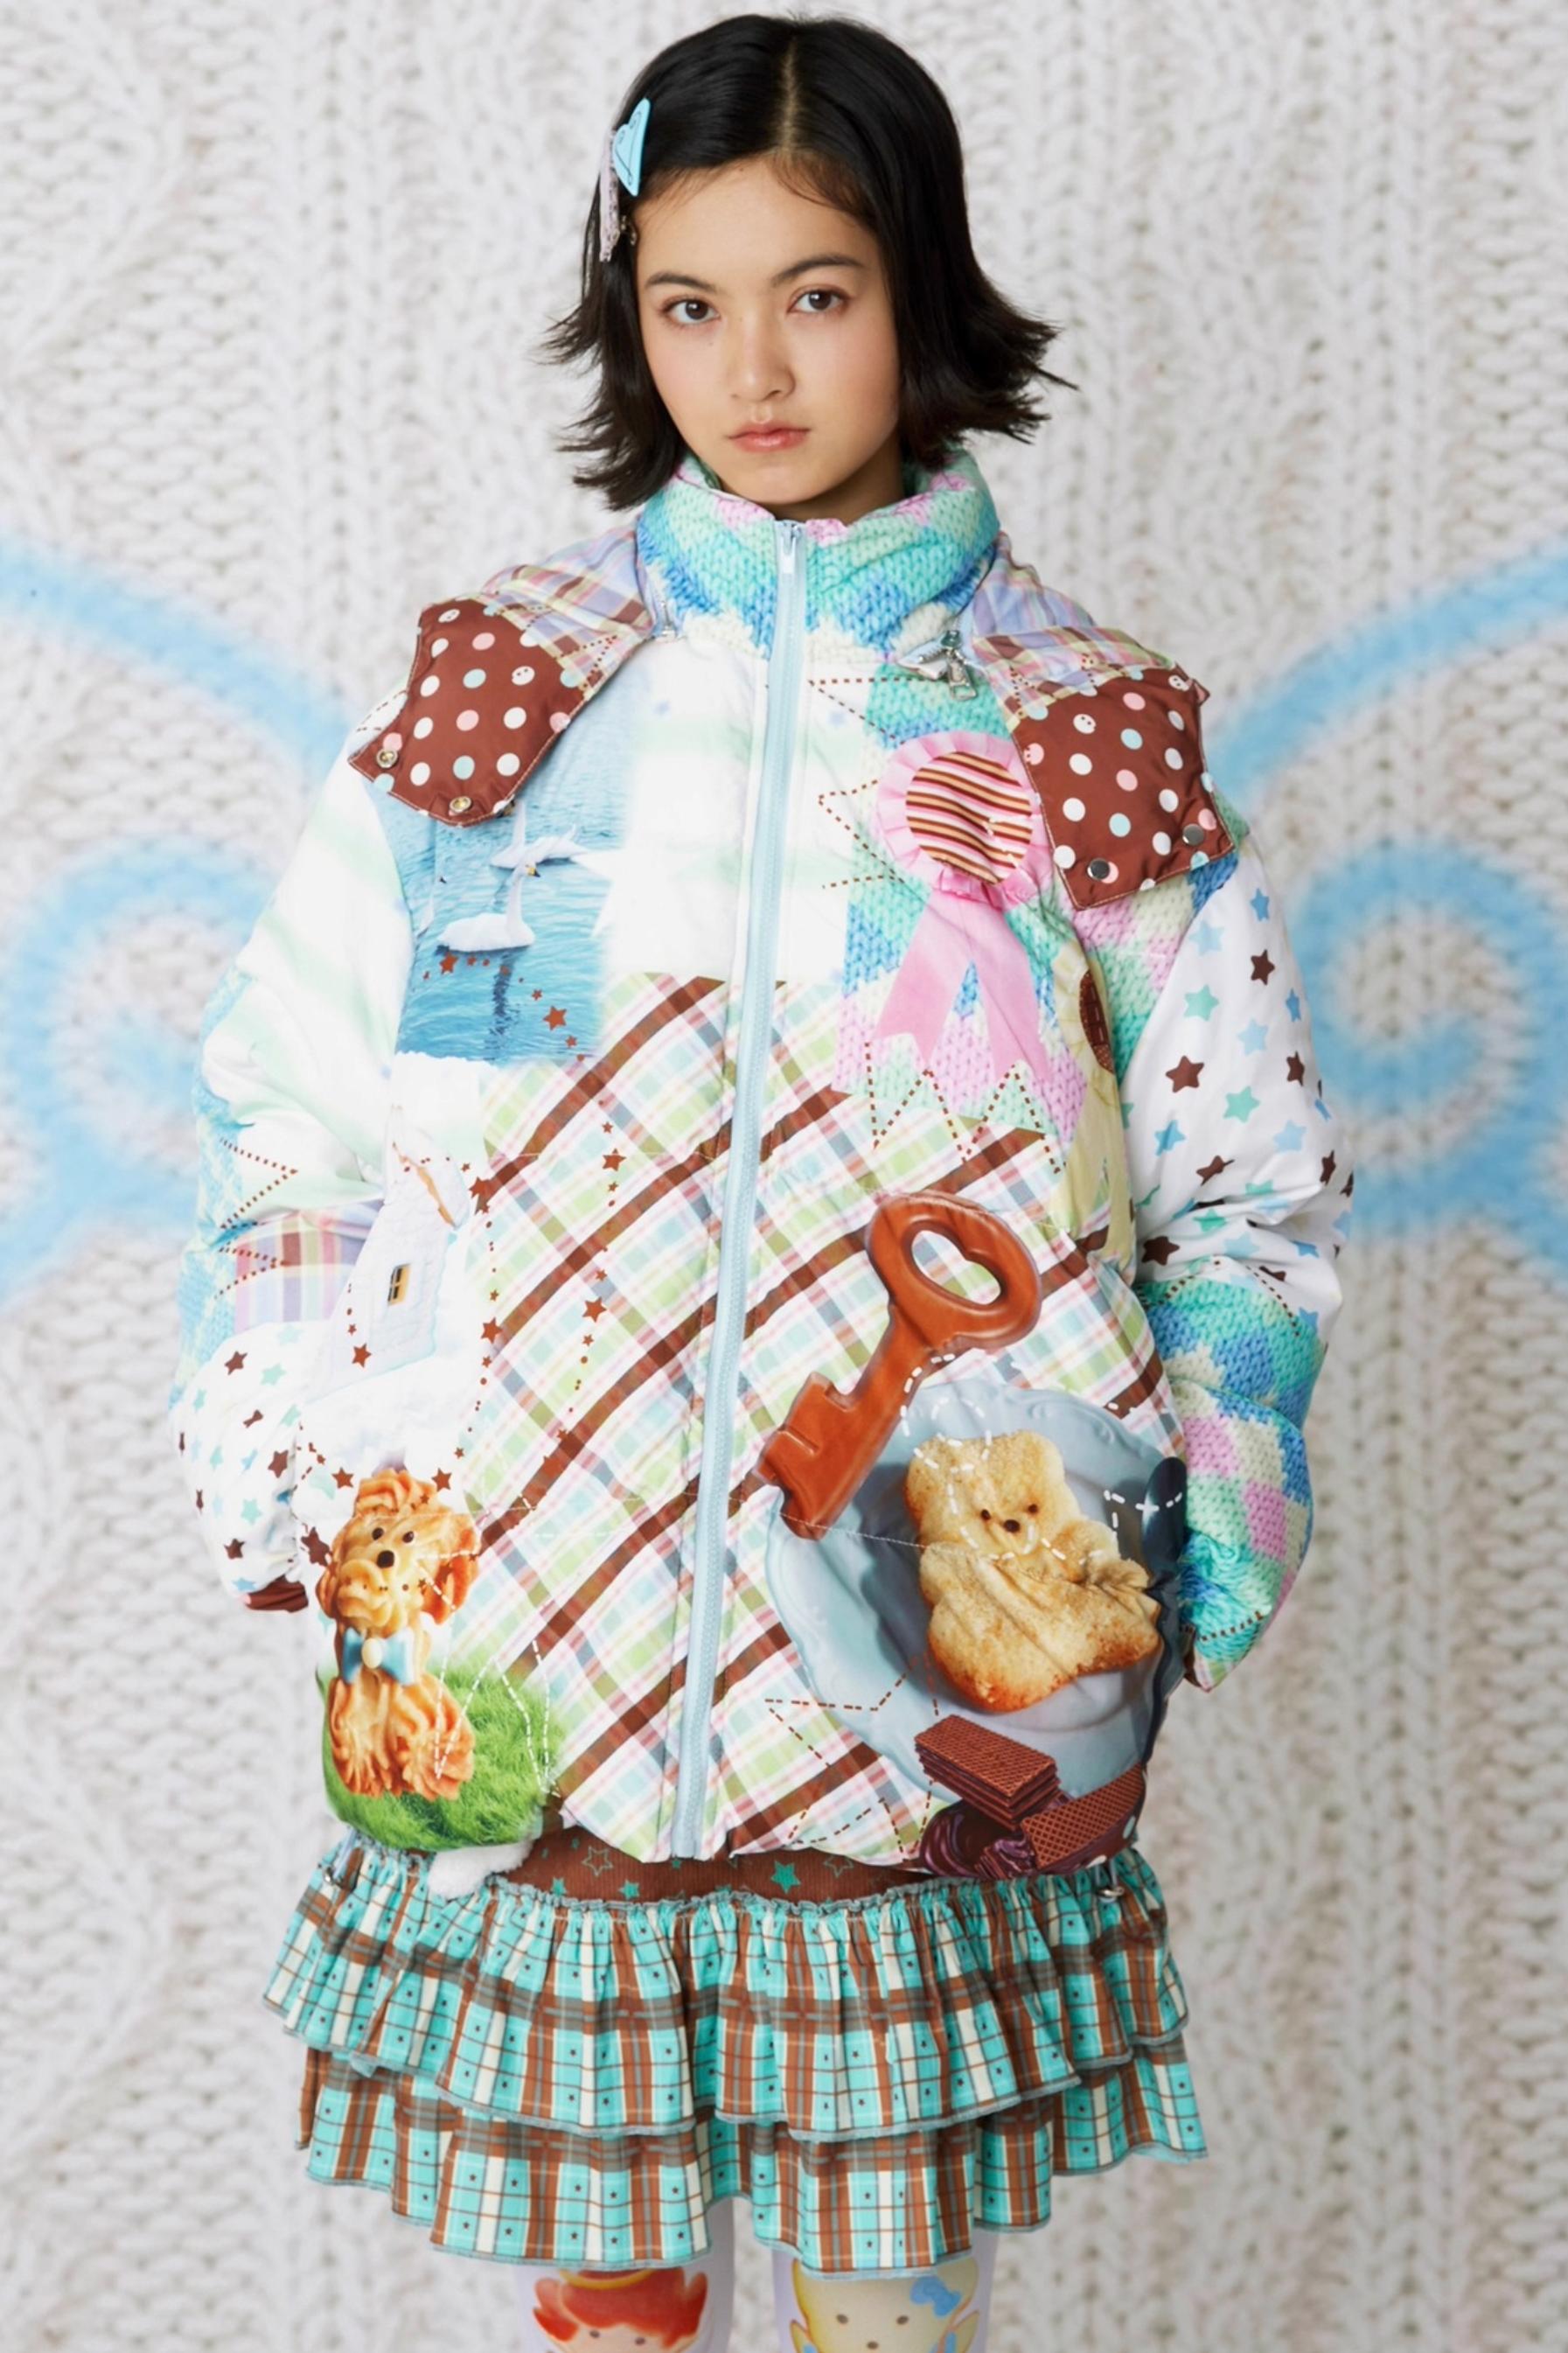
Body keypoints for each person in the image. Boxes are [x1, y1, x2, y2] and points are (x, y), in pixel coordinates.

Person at [164, 12, 1355, 2348]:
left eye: (816, 292)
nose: (754, 369)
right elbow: (286, 1119)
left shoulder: (1081, 725)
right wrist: (306, 1466)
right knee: (606, 2284)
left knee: (880, 2295)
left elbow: (1244, 1184)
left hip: (935, 1657)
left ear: (918, 286)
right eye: (688, 303)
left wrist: (1198, 1513)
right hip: (525, 1620)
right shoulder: (504, 697)